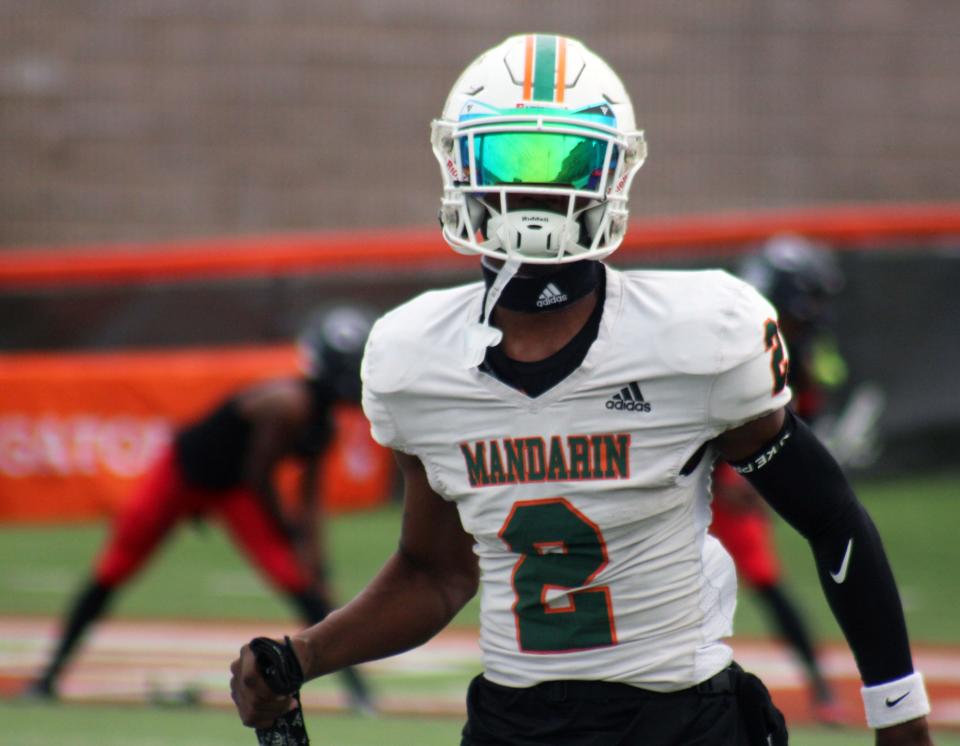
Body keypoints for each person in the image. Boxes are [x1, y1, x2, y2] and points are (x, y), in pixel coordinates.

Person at [230, 35, 933, 745]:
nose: (536, 191)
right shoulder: (415, 359)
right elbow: (434, 572)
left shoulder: (698, 335)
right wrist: (303, 656)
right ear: (461, 167)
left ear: (611, 172)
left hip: (682, 721)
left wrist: (898, 711)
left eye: (567, 161)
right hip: (514, 723)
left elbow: (832, 519)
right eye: (510, 158)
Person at [29, 305, 375, 714]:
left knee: (300, 581)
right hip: (184, 476)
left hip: (232, 490)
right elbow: (258, 475)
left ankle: (358, 690)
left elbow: (310, 499)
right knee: (114, 567)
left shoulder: (323, 424)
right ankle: (48, 677)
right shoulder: (287, 403)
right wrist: (288, 533)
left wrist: (316, 561)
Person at [709, 234, 848, 724]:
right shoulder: (728, 334)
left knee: (767, 580)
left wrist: (757, 473)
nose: (811, 313)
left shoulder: (807, 349)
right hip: (686, 478)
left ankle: (821, 686)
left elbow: (809, 408)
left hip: (734, 485)